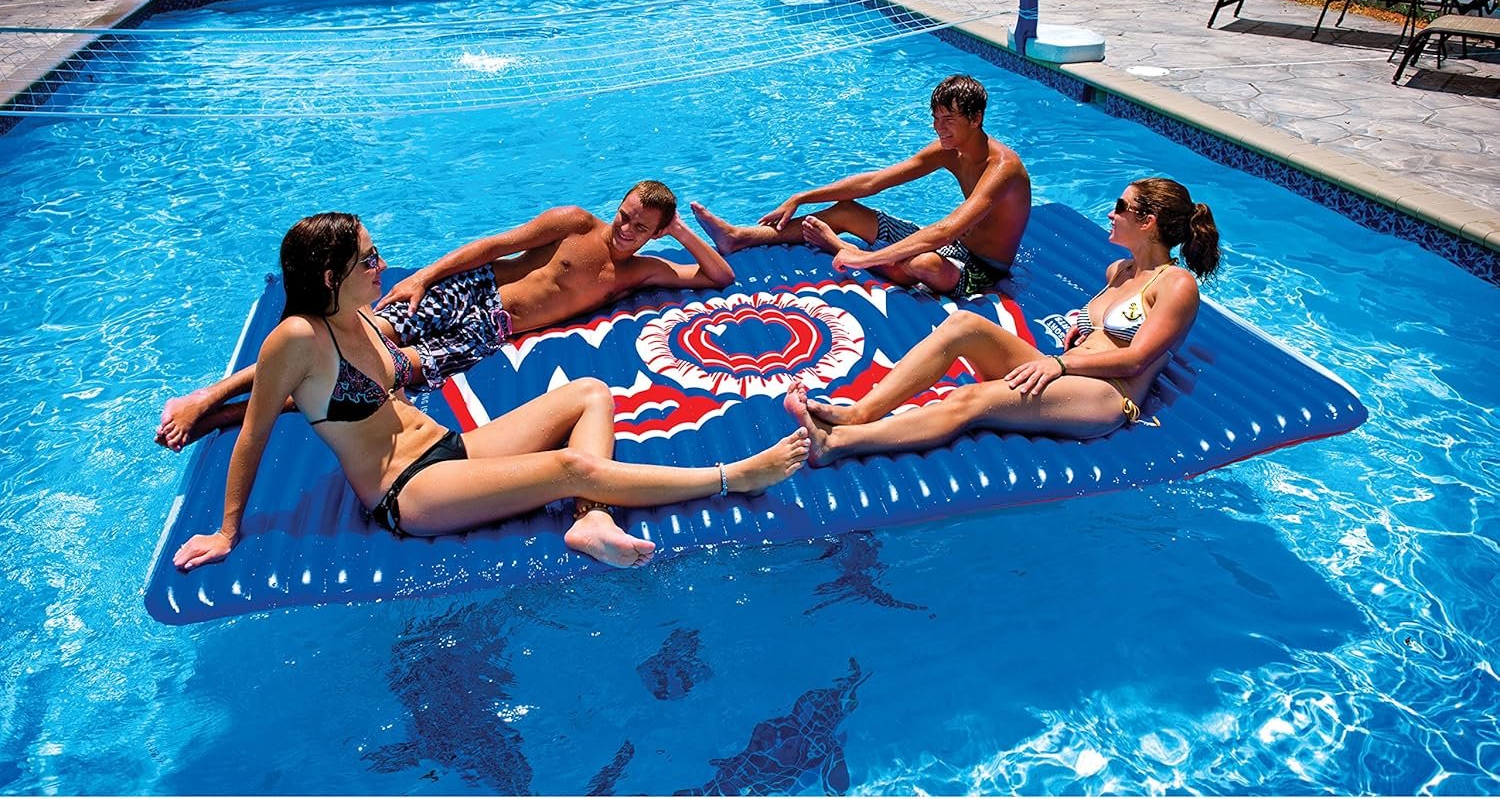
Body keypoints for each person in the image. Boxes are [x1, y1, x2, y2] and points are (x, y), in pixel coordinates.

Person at [172, 213, 809, 572]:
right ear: (332, 276)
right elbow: (254, 433)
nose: (381, 264)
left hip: (448, 449)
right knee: (568, 466)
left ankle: (592, 519)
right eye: (369, 259)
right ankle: (734, 477)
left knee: (590, 391)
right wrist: (227, 532)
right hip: (407, 491)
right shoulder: (296, 338)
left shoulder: (360, 315)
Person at [157, 180, 732, 451]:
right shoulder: (576, 223)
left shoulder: (640, 270)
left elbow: (717, 277)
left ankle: (221, 419)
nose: (625, 228)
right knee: (354, 335)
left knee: (380, 374)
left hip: (492, 331)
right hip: (471, 289)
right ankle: (209, 397)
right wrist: (424, 277)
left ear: (657, 232)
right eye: (624, 214)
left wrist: (680, 230)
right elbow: (494, 246)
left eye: (640, 226)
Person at [782, 178, 1220, 464]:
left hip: (1108, 396)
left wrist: (1062, 363)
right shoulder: (1119, 271)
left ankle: (836, 444)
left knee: (970, 399)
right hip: (1066, 372)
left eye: (1121, 206)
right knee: (963, 325)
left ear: (1148, 222)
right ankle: (859, 413)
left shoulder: (1176, 283)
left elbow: (1137, 358)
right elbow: (1107, 333)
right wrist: (1083, 331)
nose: (1111, 212)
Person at [690, 75, 1030, 297]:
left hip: (982, 267)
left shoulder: (1003, 168)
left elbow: (944, 231)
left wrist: (860, 257)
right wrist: (801, 196)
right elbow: (873, 182)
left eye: (949, 120)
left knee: (922, 265)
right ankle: (740, 237)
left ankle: (838, 246)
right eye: (936, 118)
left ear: (975, 119)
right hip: (953, 245)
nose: (939, 128)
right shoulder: (950, 150)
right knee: (847, 211)